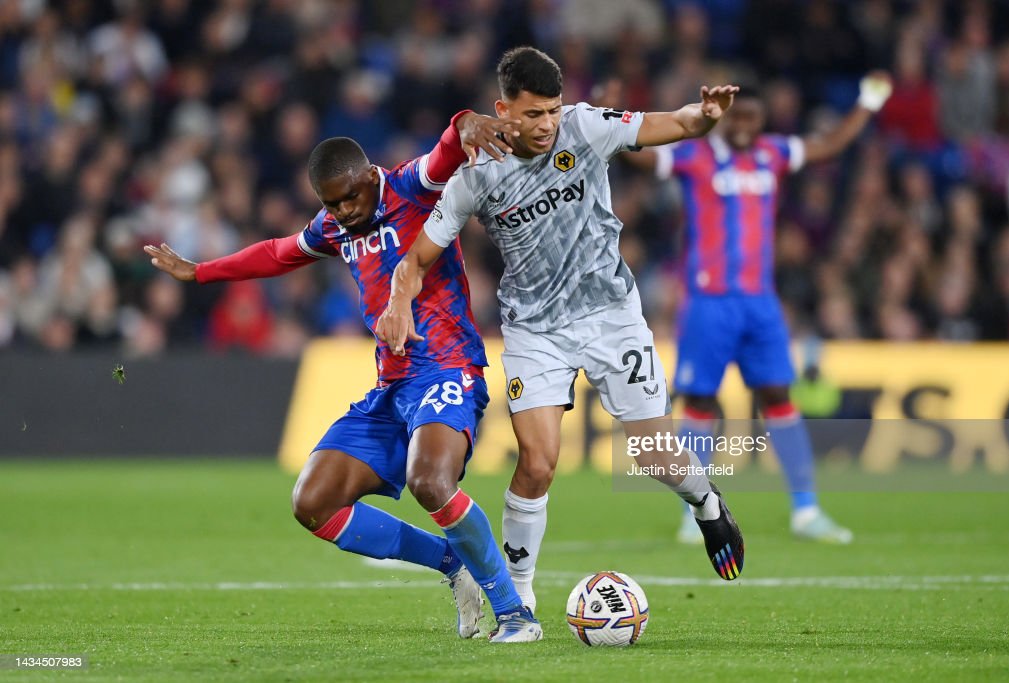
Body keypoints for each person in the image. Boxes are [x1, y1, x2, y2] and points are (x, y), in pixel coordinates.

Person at [145, 110, 544, 643]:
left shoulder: (410, 187)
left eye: (349, 197)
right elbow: (278, 253)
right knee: (313, 502)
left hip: (448, 367)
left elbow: (448, 148)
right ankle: (454, 563)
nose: (342, 211)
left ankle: (516, 615)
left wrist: (465, 122)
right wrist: (200, 271)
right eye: (330, 203)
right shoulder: (334, 225)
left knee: (431, 481)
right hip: (390, 387)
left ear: (368, 175)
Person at [377, 46, 746, 621]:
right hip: (534, 329)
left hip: (610, 315)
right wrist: (399, 302)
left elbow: (674, 123)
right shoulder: (474, 175)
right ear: (503, 110)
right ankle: (518, 590)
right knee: (539, 461)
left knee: (654, 453)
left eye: (551, 111)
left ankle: (705, 502)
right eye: (531, 115)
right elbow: (416, 257)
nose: (547, 125)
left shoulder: (587, 126)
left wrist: (706, 117)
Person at [625, 73, 893, 544]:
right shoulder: (695, 153)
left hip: (760, 302)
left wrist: (867, 105)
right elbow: (647, 159)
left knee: (779, 398)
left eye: (754, 116)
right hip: (708, 302)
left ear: (764, 119)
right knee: (702, 401)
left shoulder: (773, 152)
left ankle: (806, 510)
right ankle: (695, 513)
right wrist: (615, 123)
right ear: (724, 114)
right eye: (739, 115)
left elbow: (828, 146)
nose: (746, 123)